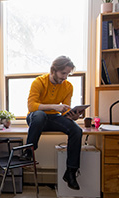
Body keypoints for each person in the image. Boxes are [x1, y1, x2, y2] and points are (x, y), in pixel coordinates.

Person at [22, 56, 83, 190]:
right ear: (54, 70)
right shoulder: (39, 82)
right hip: (36, 118)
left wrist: (73, 117)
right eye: (63, 73)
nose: (65, 77)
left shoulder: (68, 86)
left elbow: (64, 112)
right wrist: (54, 106)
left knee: (77, 130)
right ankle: (28, 152)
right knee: (40, 115)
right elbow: (32, 107)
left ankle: (71, 172)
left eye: (68, 74)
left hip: (54, 118)